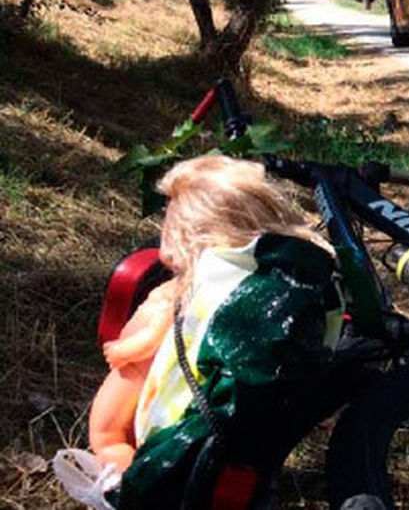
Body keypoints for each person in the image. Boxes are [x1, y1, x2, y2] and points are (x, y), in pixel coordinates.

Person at [54, 155, 346, 509]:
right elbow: (124, 351)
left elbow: (121, 353)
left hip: (169, 426)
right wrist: (140, 343)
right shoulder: (281, 287)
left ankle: (137, 485)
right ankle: (134, 482)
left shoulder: (197, 292)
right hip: (191, 429)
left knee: (111, 436)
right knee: (114, 439)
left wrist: (136, 346)